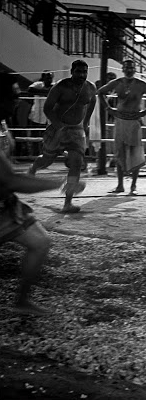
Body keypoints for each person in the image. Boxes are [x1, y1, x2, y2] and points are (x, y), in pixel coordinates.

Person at [0, 72, 81, 315]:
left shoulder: (2, 122)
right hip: (4, 197)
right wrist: (60, 182)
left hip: (4, 203)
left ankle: (22, 302)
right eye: (12, 96)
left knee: (40, 242)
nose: (18, 100)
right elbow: (11, 179)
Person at [27, 60, 96, 213]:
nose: (82, 75)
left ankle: (67, 203)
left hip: (77, 129)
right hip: (58, 127)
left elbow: (92, 102)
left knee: (76, 161)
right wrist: (59, 126)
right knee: (46, 159)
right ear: (72, 71)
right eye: (78, 71)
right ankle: (33, 169)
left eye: (85, 72)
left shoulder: (90, 88)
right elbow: (47, 108)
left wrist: (86, 123)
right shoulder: (60, 86)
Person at [97, 59, 146, 195]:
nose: (129, 70)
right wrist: (109, 109)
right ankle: (120, 185)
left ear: (135, 69)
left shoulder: (141, 84)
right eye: (126, 67)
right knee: (120, 153)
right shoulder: (117, 83)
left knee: (135, 153)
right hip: (120, 121)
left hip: (134, 122)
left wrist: (144, 112)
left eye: (131, 68)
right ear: (123, 69)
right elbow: (100, 92)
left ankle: (133, 186)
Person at [27, 70, 54, 155]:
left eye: (50, 77)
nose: (49, 79)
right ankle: (35, 154)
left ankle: (45, 154)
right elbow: (30, 90)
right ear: (43, 78)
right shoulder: (38, 84)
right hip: (36, 114)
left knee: (47, 136)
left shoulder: (54, 86)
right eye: (47, 77)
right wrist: (46, 92)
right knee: (35, 135)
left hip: (48, 116)